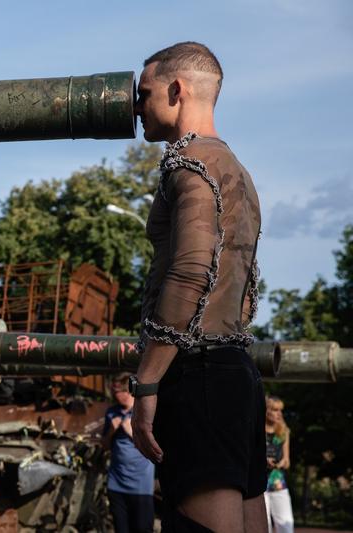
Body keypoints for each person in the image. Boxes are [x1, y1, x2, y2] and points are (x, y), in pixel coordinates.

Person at [128, 42, 267, 533]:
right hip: (237, 374)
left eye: (143, 94)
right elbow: (246, 290)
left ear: (176, 89)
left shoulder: (189, 166)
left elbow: (189, 271)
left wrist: (146, 383)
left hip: (198, 375)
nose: (137, 107)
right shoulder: (239, 172)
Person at [102, 373, 155, 533]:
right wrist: (111, 431)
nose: (113, 394)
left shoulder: (144, 413)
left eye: (116, 391)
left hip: (140, 486)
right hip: (116, 484)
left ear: (127, 392)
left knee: (142, 529)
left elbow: (155, 448)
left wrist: (132, 432)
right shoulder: (112, 413)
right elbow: (104, 446)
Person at [264, 396, 294, 533]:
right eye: (275, 410)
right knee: (264, 526)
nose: (279, 414)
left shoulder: (283, 432)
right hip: (259, 485)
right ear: (266, 411)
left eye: (280, 410)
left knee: (286, 525)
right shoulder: (255, 430)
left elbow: (287, 461)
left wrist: (282, 462)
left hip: (278, 483)